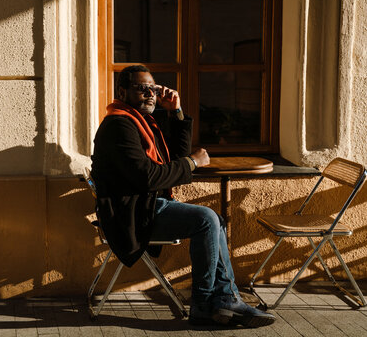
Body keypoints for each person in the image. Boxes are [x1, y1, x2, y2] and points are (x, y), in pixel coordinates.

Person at [90, 65, 276, 327]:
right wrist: (192, 162)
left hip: (147, 204)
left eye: (153, 88)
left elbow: (171, 160)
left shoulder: (141, 121)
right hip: (131, 213)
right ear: (122, 92)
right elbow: (149, 177)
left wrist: (175, 112)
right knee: (207, 219)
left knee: (215, 220)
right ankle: (203, 304)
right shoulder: (119, 126)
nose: (150, 94)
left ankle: (224, 298)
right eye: (141, 88)